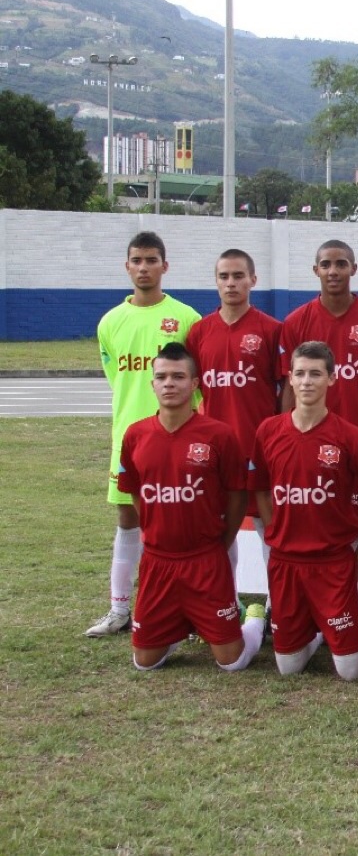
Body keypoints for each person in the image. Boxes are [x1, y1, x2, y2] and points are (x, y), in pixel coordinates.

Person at [116, 343, 264, 671]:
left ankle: (254, 619)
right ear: (152, 383)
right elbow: (136, 492)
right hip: (158, 562)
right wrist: (156, 528)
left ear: (195, 384)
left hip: (205, 561)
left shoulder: (219, 435)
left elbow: (237, 495)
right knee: (145, 664)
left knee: (232, 662)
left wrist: (219, 543)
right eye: (162, 376)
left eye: (179, 376)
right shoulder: (135, 435)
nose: (169, 383)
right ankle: (177, 625)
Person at [250, 341, 358, 680]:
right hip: (286, 564)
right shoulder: (268, 431)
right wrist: (274, 530)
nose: (307, 381)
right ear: (290, 379)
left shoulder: (349, 436)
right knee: (288, 667)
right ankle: (301, 631)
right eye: (300, 373)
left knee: (350, 670)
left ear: (332, 379)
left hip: (333, 564)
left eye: (316, 373)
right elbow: (259, 488)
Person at [87, 231, 202, 637]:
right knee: (127, 517)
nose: (143, 267)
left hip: (177, 439)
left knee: (179, 520)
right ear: (127, 266)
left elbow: (197, 384)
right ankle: (119, 609)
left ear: (164, 266)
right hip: (129, 439)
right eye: (137, 260)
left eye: (151, 260)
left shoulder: (187, 319)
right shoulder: (109, 323)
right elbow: (117, 379)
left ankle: (188, 611)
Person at [279, 239, 358, 627]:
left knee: (354, 529)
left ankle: (355, 613)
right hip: (308, 444)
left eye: (341, 264)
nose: (333, 271)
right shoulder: (296, 322)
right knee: (311, 524)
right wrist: (284, 438)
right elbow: (286, 387)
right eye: (326, 264)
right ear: (315, 271)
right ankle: (303, 611)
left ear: (353, 269)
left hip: (357, 446)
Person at [186, 248, 282, 601]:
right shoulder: (198, 333)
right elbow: (192, 387)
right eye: (224, 276)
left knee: (269, 529)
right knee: (218, 530)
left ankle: (277, 607)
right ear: (215, 281)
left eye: (238, 276)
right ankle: (224, 602)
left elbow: (285, 389)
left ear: (253, 280)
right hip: (214, 454)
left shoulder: (272, 331)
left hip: (259, 450)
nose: (231, 283)